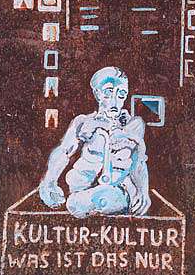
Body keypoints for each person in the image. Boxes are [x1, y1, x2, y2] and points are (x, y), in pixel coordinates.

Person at [37, 66, 151, 218]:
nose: (115, 101)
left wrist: (143, 192)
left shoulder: (133, 125)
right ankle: (82, 201)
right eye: (108, 92)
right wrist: (49, 182)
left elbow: (138, 162)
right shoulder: (83, 123)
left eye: (121, 94)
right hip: (81, 188)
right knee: (79, 197)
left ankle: (86, 202)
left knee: (104, 198)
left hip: (118, 190)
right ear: (97, 93)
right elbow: (64, 151)